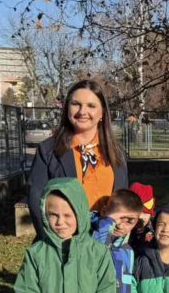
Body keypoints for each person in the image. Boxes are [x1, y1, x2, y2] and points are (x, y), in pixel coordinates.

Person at [27, 79, 127, 239]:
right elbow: (36, 200)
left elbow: (122, 198)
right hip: (63, 241)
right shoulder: (48, 150)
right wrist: (53, 240)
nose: (82, 111)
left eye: (91, 106)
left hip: (105, 242)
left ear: (102, 113)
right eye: (76, 104)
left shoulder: (116, 152)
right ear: (67, 108)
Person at [129, 182, 156, 250]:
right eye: (137, 213)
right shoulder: (120, 228)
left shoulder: (156, 230)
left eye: (145, 213)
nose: (140, 217)